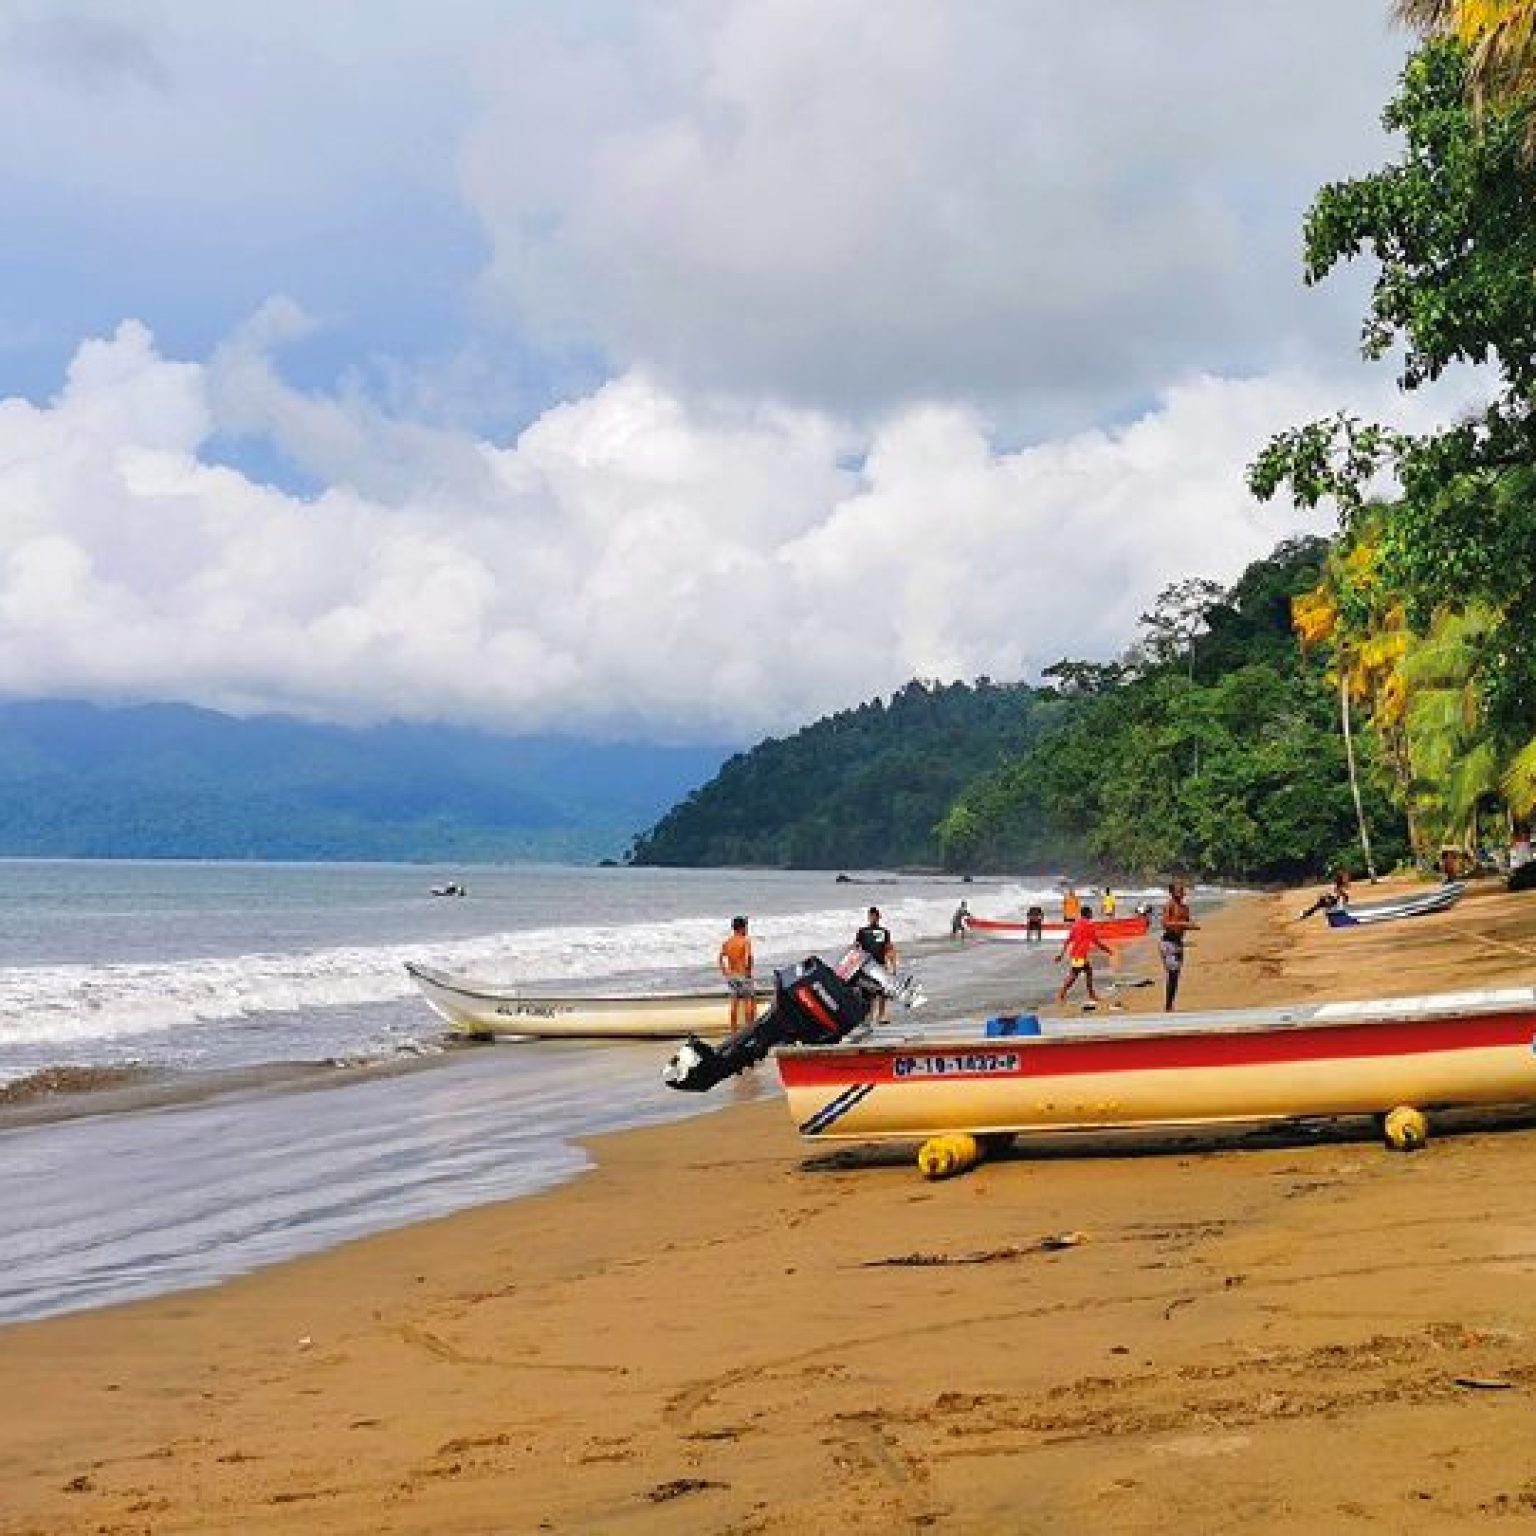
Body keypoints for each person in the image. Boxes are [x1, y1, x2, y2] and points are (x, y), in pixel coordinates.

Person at [1056, 904, 1112, 1008]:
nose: (1092, 915)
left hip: (1077, 954)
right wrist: (1107, 950)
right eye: (1091, 913)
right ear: (1088, 914)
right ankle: (1062, 994)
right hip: (1080, 955)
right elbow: (1096, 941)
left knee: (1087, 972)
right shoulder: (1089, 925)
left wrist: (1061, 954)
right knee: (1074, 975)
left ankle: (1090, 994)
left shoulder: (1075, 925)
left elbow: (1067, 941)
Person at [1159, 880, 1199, 1012]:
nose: (1182, 892)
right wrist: (1182, 924)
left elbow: (1188, 922)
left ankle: (1169, 1004)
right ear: (1171, 892)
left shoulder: (1185, 908)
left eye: (1182, 890)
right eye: (1179, 890)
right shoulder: (1169, 906)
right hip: (1168, 943)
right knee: (1173, 972)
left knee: (1175, 976)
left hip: (1178, 943)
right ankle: (1168, 1005)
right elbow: (1164, 924)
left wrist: (1192, 925)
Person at [855, 906, 897, 1023]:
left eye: (875, 915)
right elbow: (857, 948)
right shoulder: (862, 931)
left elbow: (889, 948)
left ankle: (881, 1016)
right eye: (871, 915)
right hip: (866, 965)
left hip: (881, 965)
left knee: (883, 991)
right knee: (868, 992)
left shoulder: (884, 932)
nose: (873, 917)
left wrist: (893, 966)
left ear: (879, 917)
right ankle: (868, 1017)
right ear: (868, 917)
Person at [718, 915, 756, 1031]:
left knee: (734, 1002)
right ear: (741, 928)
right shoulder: (745, 941)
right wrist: (748, 971)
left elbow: (720, 958)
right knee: (748, 1000)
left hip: (732, 975)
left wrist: (724, 970)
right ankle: (749, 1029)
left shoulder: (727, 942)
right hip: (743, 974)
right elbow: (749, 957)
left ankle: (734, 1030)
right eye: (745, 927)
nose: (747, 930)